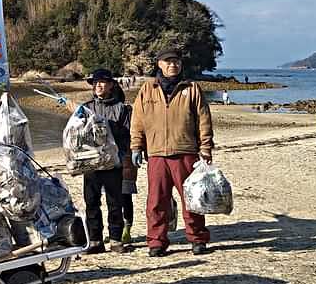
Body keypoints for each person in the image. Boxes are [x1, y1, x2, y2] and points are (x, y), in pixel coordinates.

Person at [130, 48, 214, 257]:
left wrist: (205, 147)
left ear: (180, 64)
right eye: (167, 61)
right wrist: (136, 146)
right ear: (159, 64)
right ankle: (156, 242)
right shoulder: (147, 89)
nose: (172, 65)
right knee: (157, 201)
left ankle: (197, 239)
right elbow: (137, 121)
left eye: (175, 61)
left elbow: (204, 119)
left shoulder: (192, 88)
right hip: (157, 154)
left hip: (186, 152)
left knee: (191, 199)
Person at [78, 69, 133, 254]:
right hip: (91, 162)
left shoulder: (122, 108)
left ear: (111, 85)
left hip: (113, 163)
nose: (98, 86)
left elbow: (127, 136)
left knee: (115, 202)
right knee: (91, 202)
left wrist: (110, 130)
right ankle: (94, 240)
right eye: (95, 83)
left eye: (102, 82)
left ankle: (116, 240)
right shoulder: (85, 108)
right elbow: (77, 135)